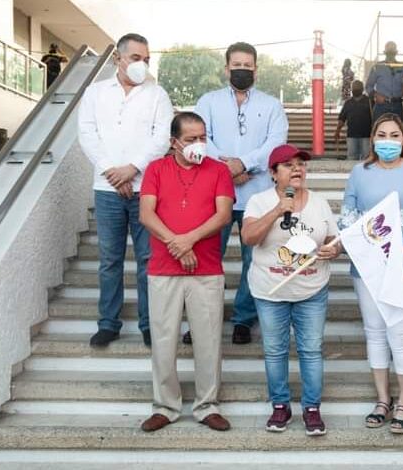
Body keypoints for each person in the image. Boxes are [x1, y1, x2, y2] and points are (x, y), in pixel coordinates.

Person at [339, 113, 403, 434]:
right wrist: (369, 252)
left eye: (394, 135)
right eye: (381, 135)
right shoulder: (359, 172)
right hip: (369, 267)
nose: (388, 140)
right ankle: (383, 399)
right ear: (372, 139)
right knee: (375, 331)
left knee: (402, 332)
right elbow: (348, 216)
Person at [138, 112, 234, 433]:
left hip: (206, 268)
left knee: (208, 340)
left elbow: (223, 215)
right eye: (191, 139)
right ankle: (165, 406)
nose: (198, 144)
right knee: (163, 340)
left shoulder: (219, 170)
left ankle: (207, 406)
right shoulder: (156, 169)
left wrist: (188, 240)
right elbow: (146, 214)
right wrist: (177, 244)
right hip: (163, 269)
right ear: (174, 142)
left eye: (203, 137)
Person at [78, 33, 174, 348]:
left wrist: (132, 169)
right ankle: (108, 323)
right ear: (117, 59)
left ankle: (149, 324)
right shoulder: (95, 93)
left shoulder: (157, 94)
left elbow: (162, 138)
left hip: (146, 189)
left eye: (146, 59)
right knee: (109, 259)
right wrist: (113, 172)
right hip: (106, 188)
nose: (142, 64)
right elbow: (87, 134)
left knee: (148, 259)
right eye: (135, 58)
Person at [241, 144, 341, 436]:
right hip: (270, 290)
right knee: (275, 351)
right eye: (288, 165)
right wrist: (277, 210)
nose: (297, 169)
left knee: (311, 350)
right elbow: (248, 237)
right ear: (273, 173)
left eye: (301, 164)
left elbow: (334, 240)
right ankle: (280, 405)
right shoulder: (259, 201)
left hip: (312, 289)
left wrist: (333, 250)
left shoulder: (319, 203)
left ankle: (312, 408)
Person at [195, 42, 289, 345]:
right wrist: (227, 170)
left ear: (256, 70)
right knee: (209, 258)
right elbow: (200, 138)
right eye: (236, 65)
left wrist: (244, 164)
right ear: (226, 68)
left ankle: (243, 319)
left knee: (254, 260)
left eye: (248, 66)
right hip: (215, 193)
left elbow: (275, 143)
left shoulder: (271, 105)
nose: (242, 70)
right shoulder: (208, 101)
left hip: (258, 193)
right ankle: (202, 319)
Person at [365, 41, 403, 122]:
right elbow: (368, 86)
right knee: (378, 128)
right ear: (384, 53)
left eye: (392, 51)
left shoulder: (402, 67)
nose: (390, 54)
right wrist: (375, 95)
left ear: (396, 52)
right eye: (389, 52)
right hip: (381, 106)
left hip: (397, 106)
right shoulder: (377, 67)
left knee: (398, 128)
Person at [334, 80, 373, 160]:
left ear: (362, 89)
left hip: (366, 136)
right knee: (351, 159)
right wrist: (337, 131)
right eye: (354, 88)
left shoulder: (369, 101)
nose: (355, 90)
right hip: (351, 136)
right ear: (351, 89)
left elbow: (375, 118)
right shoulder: (348, 103)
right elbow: (342, 119)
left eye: (357, 88)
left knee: (366, 159)